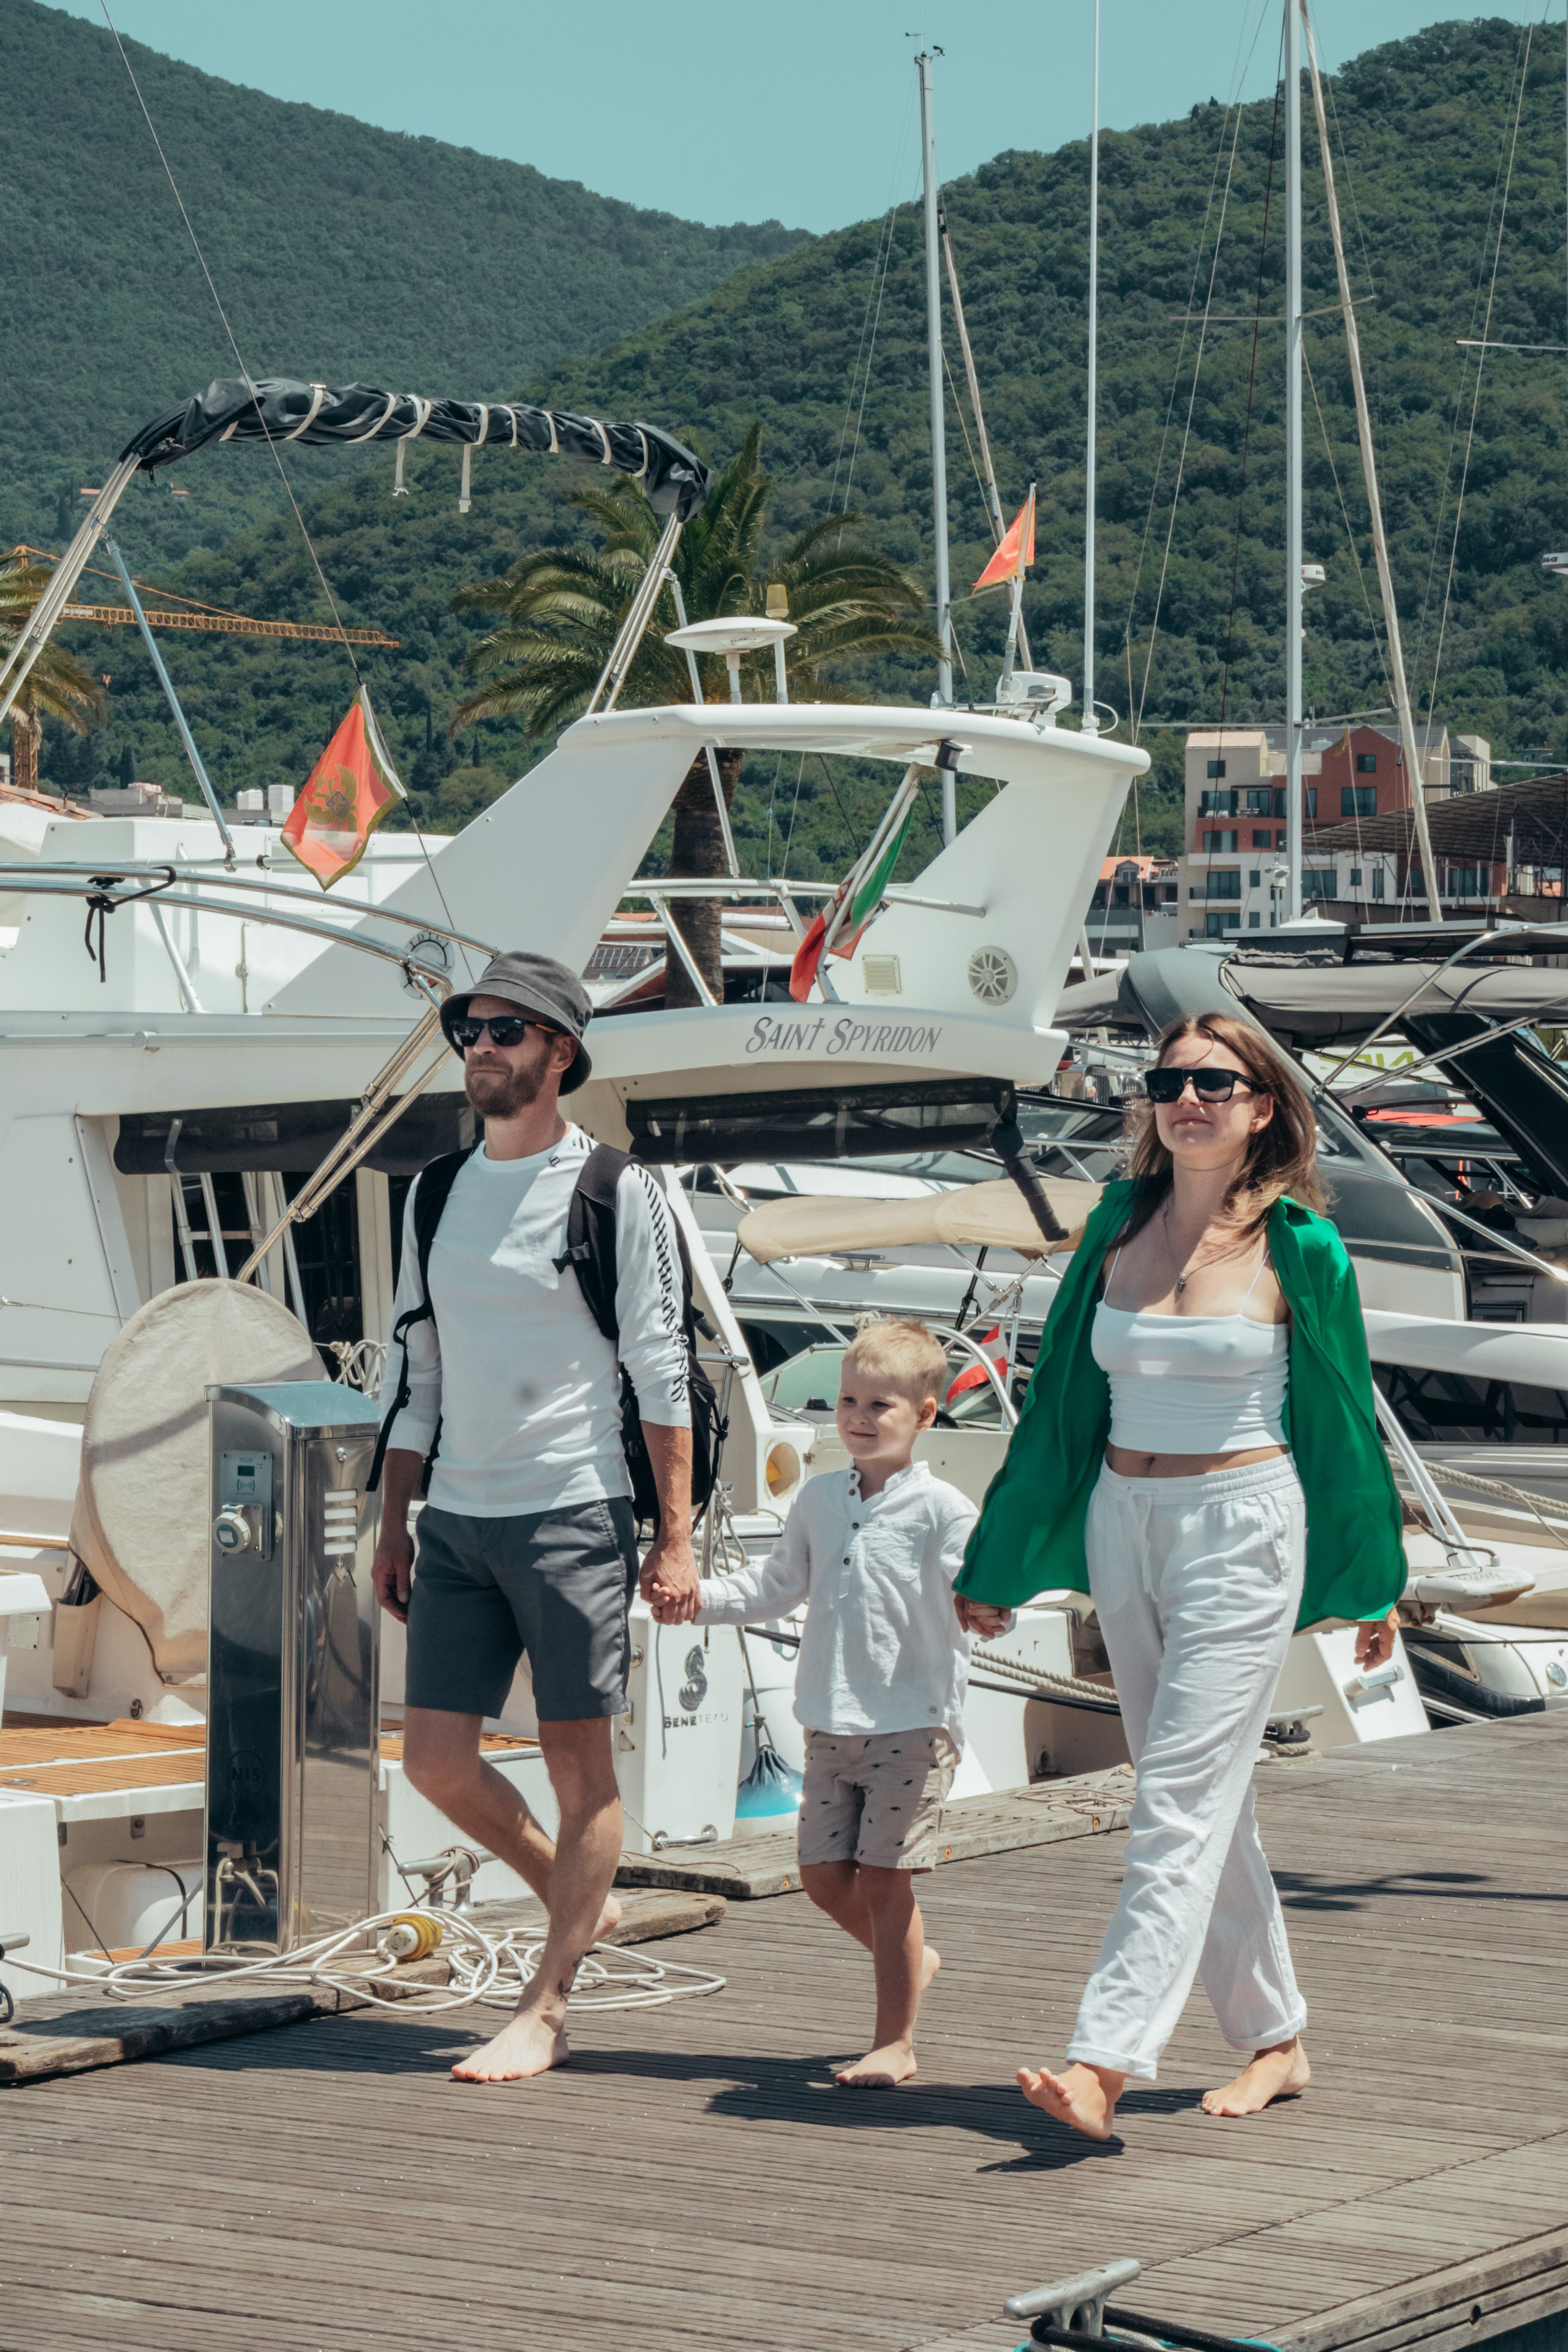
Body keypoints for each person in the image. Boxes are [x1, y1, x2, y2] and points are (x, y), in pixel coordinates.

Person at [956, 1012, 1406, 2140]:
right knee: (1200, 1795)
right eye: (1170, 1081)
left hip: (1242, 1522)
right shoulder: (1119, 1223)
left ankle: (1104, 2059)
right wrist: (1001, 1556)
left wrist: (1372, 1576)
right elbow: (1060, 1401)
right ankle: (1277, 2040)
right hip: (1125, 1516)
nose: (1188, 1098)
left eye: (1215, 1080)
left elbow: (1348, 1421)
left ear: (1263, 1108)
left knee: (1171, 1803)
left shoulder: (1300, 1245)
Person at [369, 950, 697, 2084]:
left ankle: (546, 2008)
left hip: (572, 1508)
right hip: (455, 1516)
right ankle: (576, 1897)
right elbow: (417, 1367)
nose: (482, 1046)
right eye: (471, 1027)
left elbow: (660, 1368)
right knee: (435, 1763)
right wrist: (394, 1518)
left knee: (578, 1763)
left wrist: (676, 1535)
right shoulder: (434, 1191)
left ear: (561, 1051)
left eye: (508, 1030)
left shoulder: (616, 1188)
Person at [676, 1318, 1005, 2087]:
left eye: (879, 1405)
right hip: (829, 1720)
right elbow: (773, 1586)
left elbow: (980, 1588)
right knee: (825, 1877)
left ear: (925, 1416)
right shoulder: (820, 1500)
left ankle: (895, 2040)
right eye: (847, 1400)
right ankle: (912, 1962)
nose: (857, 1417)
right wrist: (695, 1601)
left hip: (913, 1723)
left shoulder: (942, 1510)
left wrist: (992, 1609)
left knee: (887, 1880)